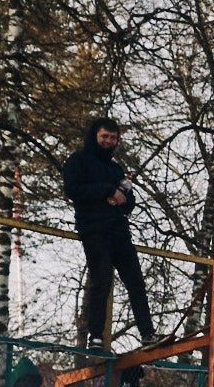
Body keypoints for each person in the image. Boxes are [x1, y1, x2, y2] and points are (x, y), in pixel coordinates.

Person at [61, 116, 158, 347]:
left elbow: (129, 201)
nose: (108, 141)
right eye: (104, 136)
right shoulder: (78, 160)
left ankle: (147, 334)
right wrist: (107, 191)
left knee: (136, 282)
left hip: (118, 232)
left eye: (113, 138)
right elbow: (73, 189)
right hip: (94, 229)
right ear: (95, 136)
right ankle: (96, 335)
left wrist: (121, 198)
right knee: (102, 280)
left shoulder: (115, 169)